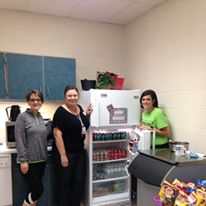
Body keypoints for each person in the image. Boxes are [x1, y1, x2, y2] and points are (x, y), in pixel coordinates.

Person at [52, 85, 93, 206]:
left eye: (75, 95)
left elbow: (82, 125)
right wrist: (63, 156)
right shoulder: (61, 112)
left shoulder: (79, 108)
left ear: (78, 96)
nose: (72, 98)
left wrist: (88, 115)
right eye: (69, 95)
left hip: (79, 151)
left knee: (79, 182)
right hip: (67, 152)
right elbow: (57, 134)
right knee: (65, 183)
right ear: (65, 97)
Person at [15, 90, 52, 206]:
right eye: (32, 99)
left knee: (32, 189)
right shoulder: (22, 117)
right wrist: (23, 160)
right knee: (38, 190)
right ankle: (25, 204)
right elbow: (19, 139)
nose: (36, 102)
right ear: (28, 101)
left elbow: (42, 134)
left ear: (41, 102)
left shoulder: (40, 117)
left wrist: (51, 125)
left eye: (38, 100)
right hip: (29, 161)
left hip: (41, 159)